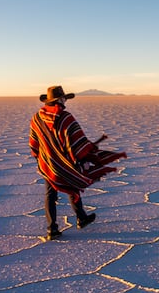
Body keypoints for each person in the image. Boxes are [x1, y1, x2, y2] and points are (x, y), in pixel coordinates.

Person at [28, 85, 127, 240]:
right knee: (72, 183)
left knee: (50, 194)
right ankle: (81, 218)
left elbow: (34, 143)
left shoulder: (36, 118)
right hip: (65, 163)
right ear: (59, 100)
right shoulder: (65, 118)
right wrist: (89, 152)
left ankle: (52, 229)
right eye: (63, 99)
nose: (65, 101)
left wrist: (41, 158)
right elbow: (77, 142)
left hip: (48, 164)